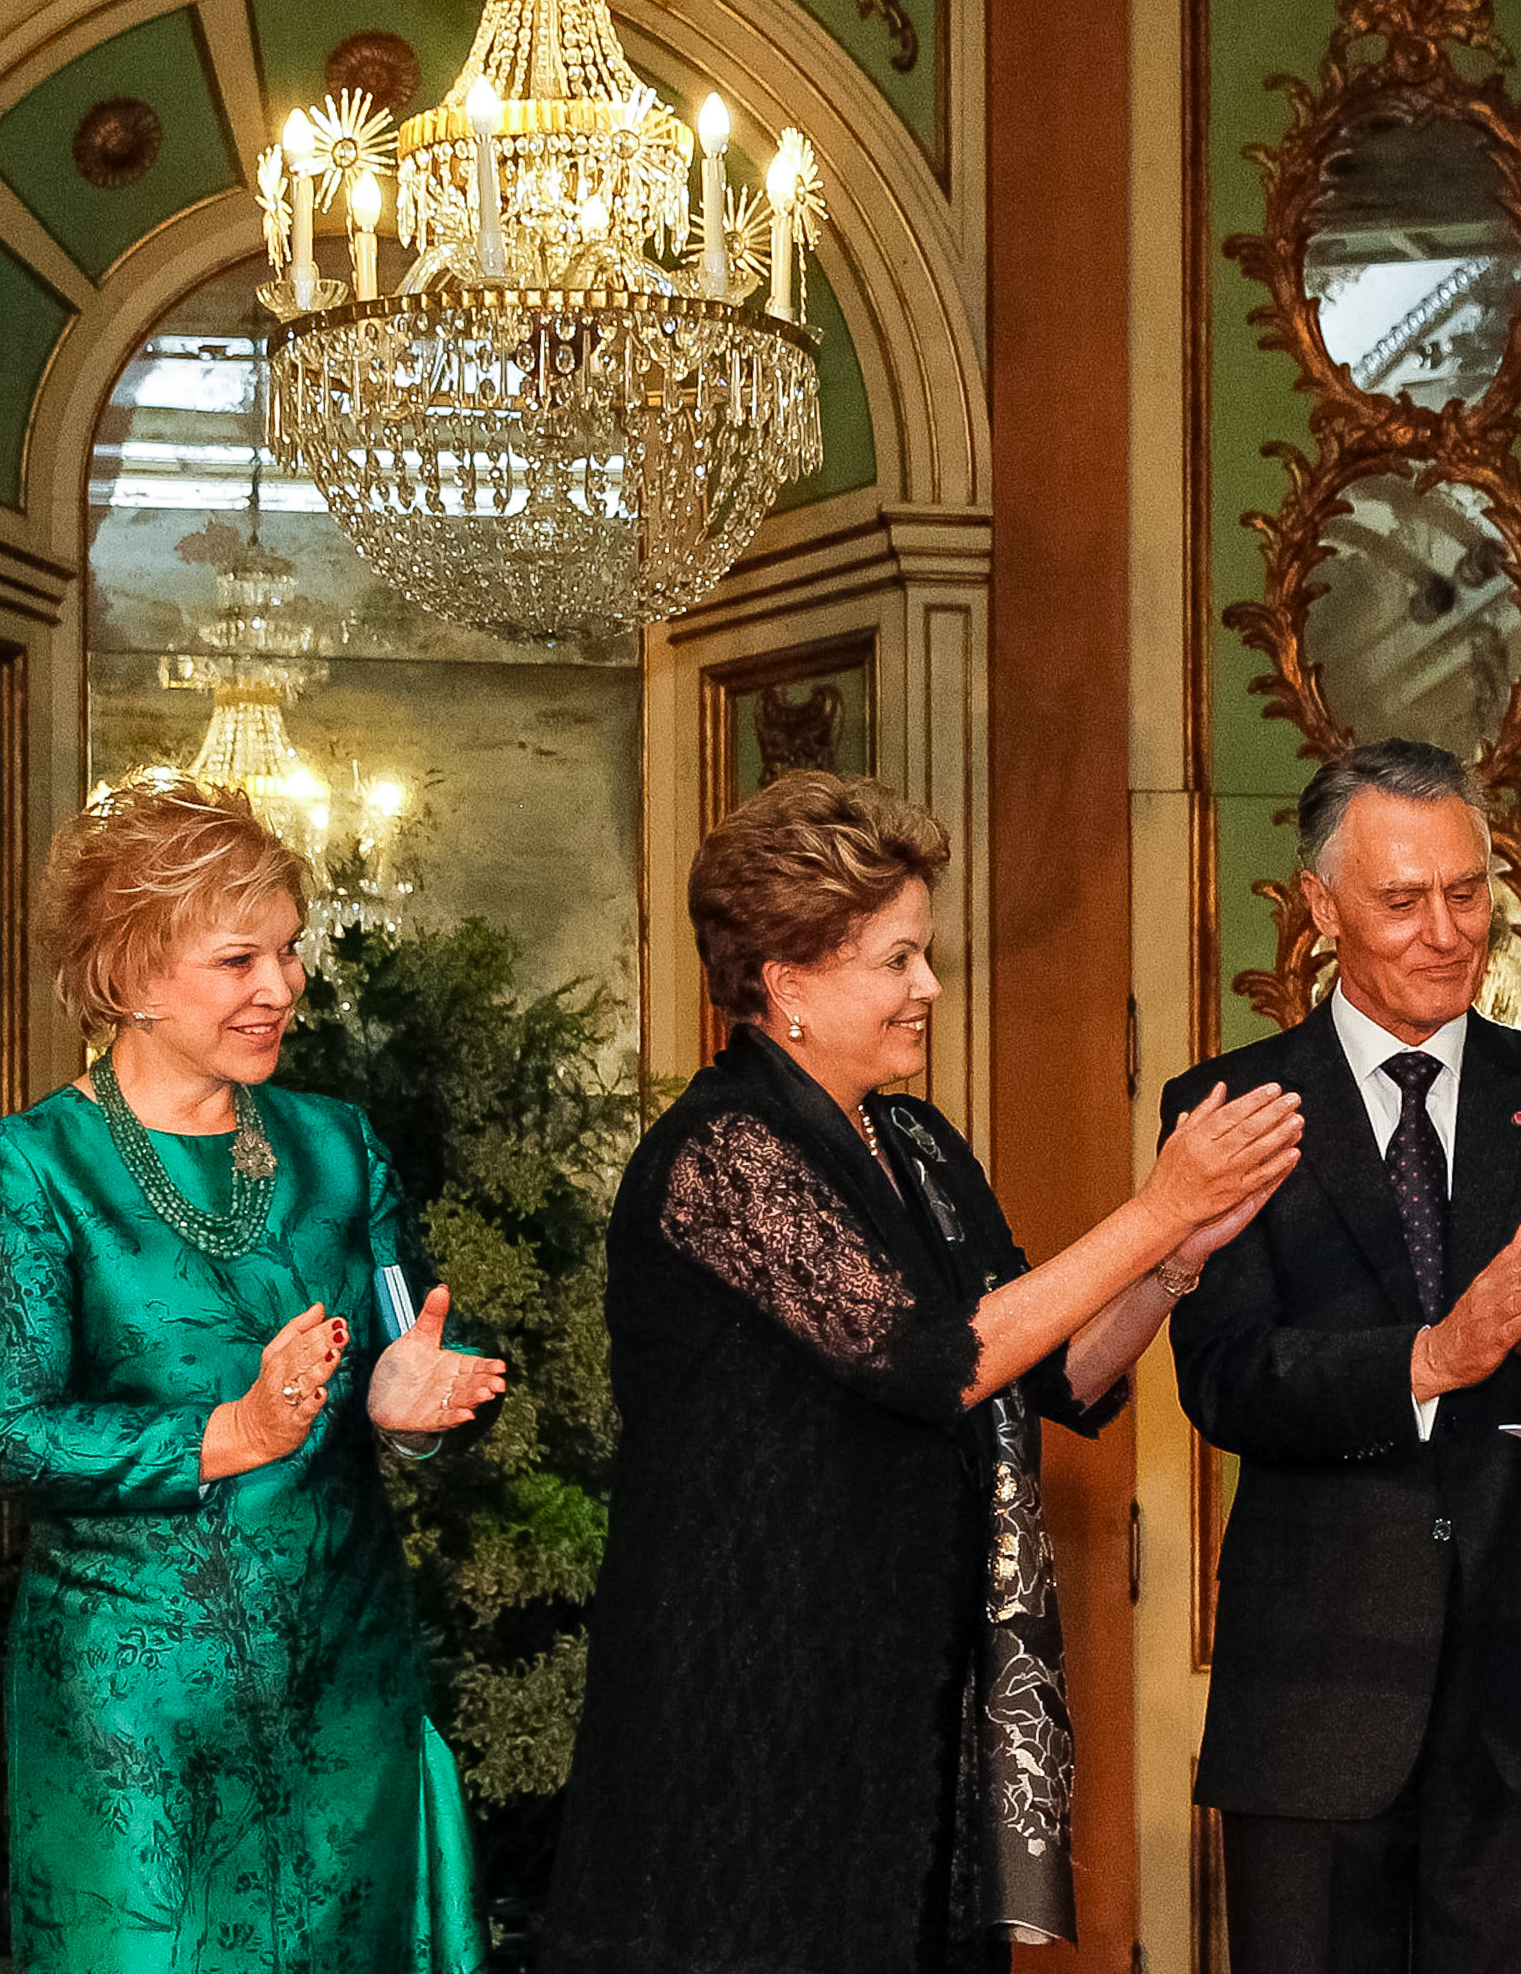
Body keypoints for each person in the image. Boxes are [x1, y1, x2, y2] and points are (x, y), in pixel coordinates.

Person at [546, 771, 1302, 1974]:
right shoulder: (723, 1151)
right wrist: (1155, 1208)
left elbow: (1048, 1369)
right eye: (895, 960)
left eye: (923, 955)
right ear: (784, 980)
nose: (928, 989)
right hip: (753, 1702)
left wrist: (1171, 1268)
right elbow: (930, 1360)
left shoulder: (912, 1141)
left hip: (906, 1698)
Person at [0, 771, 507, 1974]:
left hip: (343, 1687)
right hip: (133, 1712)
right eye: (236, 960)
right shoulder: (34, 1166)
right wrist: (227, 1433)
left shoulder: (337, 1147)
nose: (283, 986)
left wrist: (410, 1417)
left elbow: (417, 1351)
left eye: (290, 952)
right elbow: (14, 1434)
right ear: (128, 972)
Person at [1166, 738, 1521, 1974]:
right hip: (1313, 1700)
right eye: (1402, 900)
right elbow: (1226, 1377)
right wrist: (1430, 1356)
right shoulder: (1231, 1110)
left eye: (1467, 892)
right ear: (1320, 906)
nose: (1444, 931)